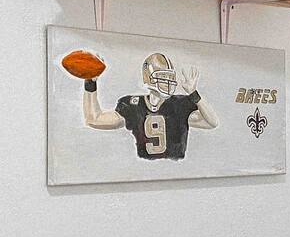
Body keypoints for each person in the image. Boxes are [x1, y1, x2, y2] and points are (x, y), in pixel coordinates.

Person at [81, 52, 218, 161]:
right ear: (148, 77)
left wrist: (194, 94)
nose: (167, 81)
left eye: (169, 77)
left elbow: (212, 122)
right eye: (162, 76)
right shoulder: (133, 105)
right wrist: (90, 83)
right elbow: (94, 119)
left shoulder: (179, 104)